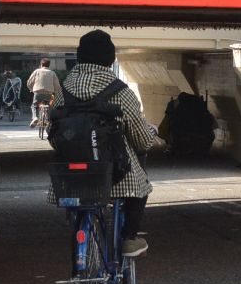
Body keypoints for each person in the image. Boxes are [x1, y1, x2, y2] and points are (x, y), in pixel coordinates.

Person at [53, 31, 158, 258]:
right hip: (113, 173)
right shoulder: (120, 91)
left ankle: (79, 265)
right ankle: (130, 238)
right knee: (141, 185)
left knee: (81, 205)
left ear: (80, 57)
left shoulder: (64, 89)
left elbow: (56, 129)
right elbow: (141, 138)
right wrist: (151, 136)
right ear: (110, 59)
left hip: (71, 173)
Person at [27, 58, 62, 127]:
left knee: (34, 106)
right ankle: (48, 119)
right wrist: (55, 92)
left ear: (41, 64)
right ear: (49, 65)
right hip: (49, 94)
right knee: (49, 106)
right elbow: (57, 85)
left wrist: (31, 89)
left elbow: (29, 82)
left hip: (38, 93)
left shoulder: (37, 71)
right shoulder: (52, 73)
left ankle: (35, 117)